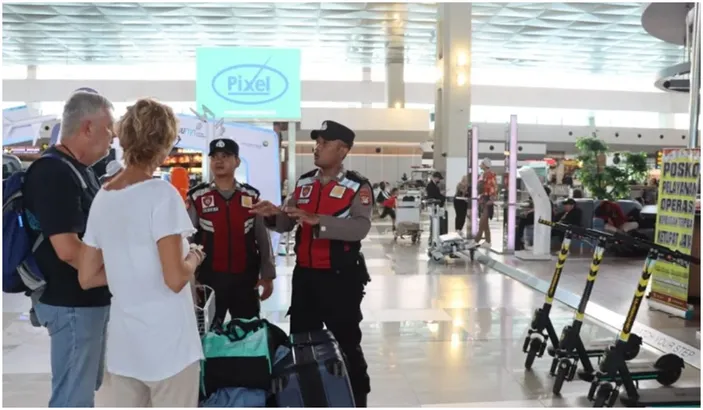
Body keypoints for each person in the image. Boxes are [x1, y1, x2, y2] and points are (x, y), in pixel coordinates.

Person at [77, 98, 204, 407]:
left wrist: (128, 267)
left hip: (125, 347)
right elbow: (174, 278)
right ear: (165, 142)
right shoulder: (162, 195)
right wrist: (194, 258)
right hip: (170, 346)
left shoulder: (103, 197)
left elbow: (87, 276)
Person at [251, 120, 372, 407]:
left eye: (325, 144)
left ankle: (357, 399)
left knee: (346, 344)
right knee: (301, 343)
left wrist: (320, 222)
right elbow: (286, 223)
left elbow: (360, 228)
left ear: (342, 150)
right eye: (316, 142)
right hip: (305, 278)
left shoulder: (358, 186)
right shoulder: (304, 183)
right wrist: (272, 215)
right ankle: (307, 395)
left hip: (340, 279)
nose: (317, 148)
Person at [22, 91, 114, 407]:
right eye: (108, 128)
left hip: (86, 300)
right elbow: (68, 250)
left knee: (82, 387)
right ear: (87, 127)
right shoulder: (53, 172)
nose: (112, 136)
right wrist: (121, 273)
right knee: (73, 396)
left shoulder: (80, 170)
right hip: (71, 303)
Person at [187, 138, 276, 323]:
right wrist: (190, 278)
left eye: (225, 156)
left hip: (245, 279)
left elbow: (262, 238)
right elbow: (187, 239)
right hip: (209, 280)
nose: (219, 161)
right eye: (214, 157)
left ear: (237, 161)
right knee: (207, 333)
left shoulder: (251, 196)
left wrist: (267, 275)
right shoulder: (198, 196)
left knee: (248, 334)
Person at [515, 186, 554, 251]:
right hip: (541, 218)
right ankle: (519, 239)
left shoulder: (546, 201)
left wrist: (528, 213)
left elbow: (539, 210)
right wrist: (528, 212)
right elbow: (537, 209)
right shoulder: (545, 200)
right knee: (522, 219)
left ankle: (519, 240)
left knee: (523, 220)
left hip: (544, 220)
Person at [469, 158, 496, 249]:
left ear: (485, 165)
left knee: (482, 222)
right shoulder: (483, 174)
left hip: (487, 200)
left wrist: (491, 199)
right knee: (485, 222)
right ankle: (488, 241)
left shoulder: (490, 175)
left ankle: (477, 239)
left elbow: (493, 187)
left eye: (481, 164)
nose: (480, 165)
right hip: (483, 199)